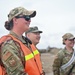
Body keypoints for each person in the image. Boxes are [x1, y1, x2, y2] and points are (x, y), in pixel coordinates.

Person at [0, 7, 44, 75]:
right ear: (15, 20)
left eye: (30, 18)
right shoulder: (9, 45)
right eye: (27, 17)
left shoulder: (26, 42)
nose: (29, 20)